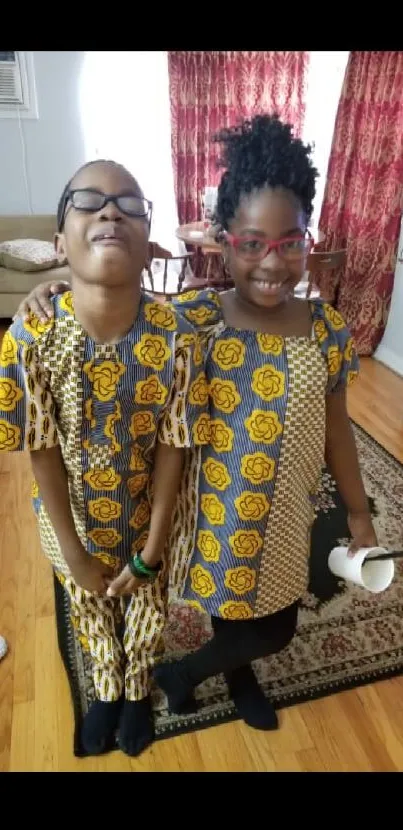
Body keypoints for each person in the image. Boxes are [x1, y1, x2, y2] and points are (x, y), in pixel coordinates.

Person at [15, 115, 378, 735]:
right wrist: (47, 291)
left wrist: (359, 511)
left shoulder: (326, 332)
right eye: (252, 243)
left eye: (291, 242)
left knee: (277, 621)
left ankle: (201, 672)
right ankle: (222, 670)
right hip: (213, 510)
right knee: (234, 608)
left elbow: (336, 428)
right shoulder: (195, 318)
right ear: (224, 241)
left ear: (306, 242)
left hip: (288, 509)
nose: (272, 262)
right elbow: (115, 297)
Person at [0, 159, 209, 756]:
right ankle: (106, 690)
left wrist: (153, 544)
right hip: (72, 518)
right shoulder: (31, 337)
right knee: (90, 604)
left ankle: (138, 689)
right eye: (88, 202)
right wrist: (72, 551)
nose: (111, 210)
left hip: (149, 510)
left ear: (150, 246)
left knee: (146, 604)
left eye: (129, 204)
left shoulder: (175, 337)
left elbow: (175, 442)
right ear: (59, 242)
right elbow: (40, 449)